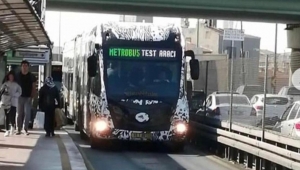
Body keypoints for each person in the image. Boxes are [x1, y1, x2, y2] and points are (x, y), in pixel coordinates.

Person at [15, 60, 37, 135]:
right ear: (21, 67)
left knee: (27, 113)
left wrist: (32, 96)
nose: (24, 67)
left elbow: (34, 87)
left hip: (28, 97)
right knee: (19, 113)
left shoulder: (32, 76)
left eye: (26, 66)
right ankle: (18, 129)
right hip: (19, 97)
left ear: (28, 67)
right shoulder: (17, 75)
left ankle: (25, 128)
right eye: (23, 66)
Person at [0, 71, 22, 137]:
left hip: (13, 102)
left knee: (12, 115)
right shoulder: (5, 84)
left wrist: (15, 95)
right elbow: (1, 92)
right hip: (6, 102)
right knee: (7, 116)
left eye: (12, 76)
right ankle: (7, 130)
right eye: (10, 76)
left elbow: (20, 92)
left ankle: (12, 125)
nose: (11, 78)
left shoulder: (16, 84)